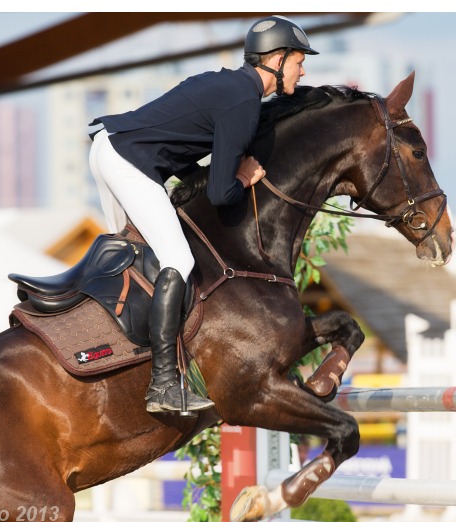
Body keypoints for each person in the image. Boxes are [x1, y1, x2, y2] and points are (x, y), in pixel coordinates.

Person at [88, 15, 318, 414]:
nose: (303, 69)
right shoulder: (244, 101)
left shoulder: (228, 85)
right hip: (127, 161)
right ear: (277, 60)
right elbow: (220, 192)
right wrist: (245, 178)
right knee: (177, 259)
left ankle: (123, 358)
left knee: (140, 259)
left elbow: (177, 144)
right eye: (299, 60)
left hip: (111, 150)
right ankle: (162, 383)